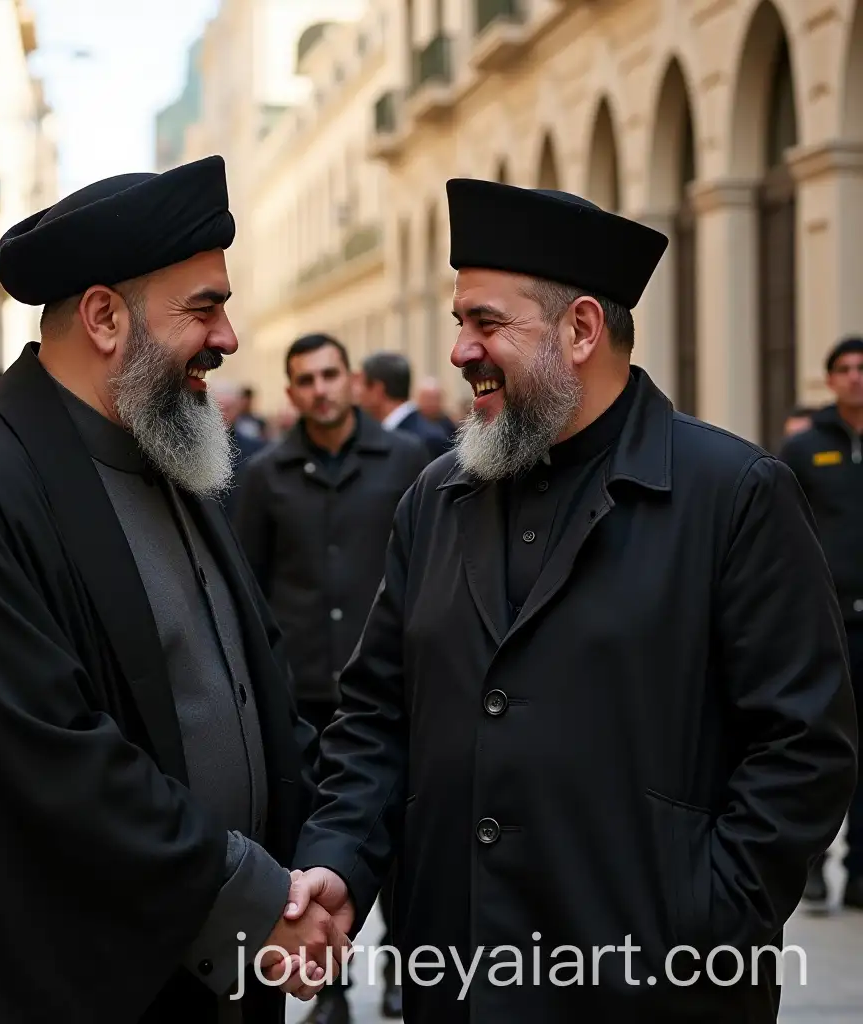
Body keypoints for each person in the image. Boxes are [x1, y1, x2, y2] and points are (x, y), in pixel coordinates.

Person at [283, 182, 858, 1023]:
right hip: (461, 978)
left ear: (581, 329)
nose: (459, 352)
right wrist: (338, 857)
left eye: (486, 324)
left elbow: (806, 747)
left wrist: (703, 918)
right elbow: (376, 716)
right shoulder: (435, 499)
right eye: (458, 323)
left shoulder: (732, 494)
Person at [0, 156, 348, 1024]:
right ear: (106, 317)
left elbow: (249, 688)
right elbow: (49, 766)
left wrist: (323, 859)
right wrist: (250, 897)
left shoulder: (168, 459)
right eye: (204, 307)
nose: (228, 338)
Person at [233, 333, 428, 1023]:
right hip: (305, 695)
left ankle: (405, 971)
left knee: (400, 845)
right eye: (305, 380)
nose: (319, 389)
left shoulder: (409, 461)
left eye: (329, 375)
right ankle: (332, 984)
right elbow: (248, 590)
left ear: (351, 379)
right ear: (290, 392)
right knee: (316, 847)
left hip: (388, 695)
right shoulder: (264, 475)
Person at [779, 335, 863, 911]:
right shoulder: (804, 450)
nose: (857, 377)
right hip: (830, 623)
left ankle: (859, 873)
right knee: (820, 745)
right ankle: (808, 866)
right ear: (829, 381)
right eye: (847, 369)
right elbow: (782, 532)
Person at [358, 352, 452, 460]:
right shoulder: (387, 432)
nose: (357, 393)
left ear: (377, 390)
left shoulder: (426, 439)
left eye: (361, 385)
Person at [212, 379, 267, 518]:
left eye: (227, 409)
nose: (222, 415)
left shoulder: (255, 449)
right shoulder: (192, 447)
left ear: (237, 409)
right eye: (217, 408)